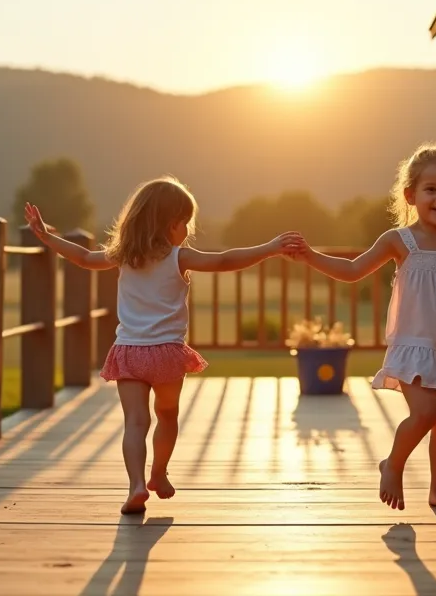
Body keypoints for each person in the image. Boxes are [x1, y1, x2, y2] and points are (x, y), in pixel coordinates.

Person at [23, 176, 304, 514]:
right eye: (185, 223)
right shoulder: (178, 257)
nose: (187, 229)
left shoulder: (123, 256)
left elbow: (83, 257)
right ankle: (158, 473)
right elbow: (224, 261)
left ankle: (136, 485)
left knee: (135, 422)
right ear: (172, 224)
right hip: (167, 354)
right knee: (167, 415)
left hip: (129, 352)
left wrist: (47, 237)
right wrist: (269, 248)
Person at [295, 143, 436, 513]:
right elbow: (353, 271)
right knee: (426, 412)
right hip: (415, 345)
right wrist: (310, 256)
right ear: (410, 195)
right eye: (431, 189)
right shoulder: (399, 241)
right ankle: (393, 464)